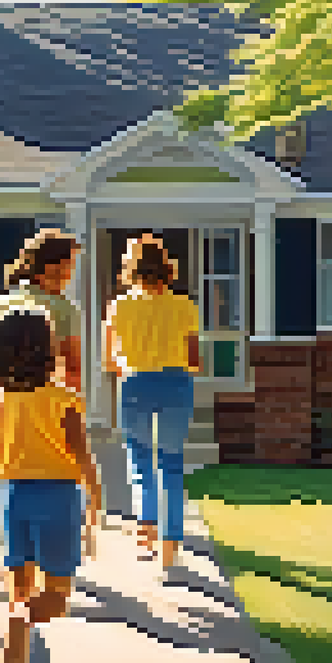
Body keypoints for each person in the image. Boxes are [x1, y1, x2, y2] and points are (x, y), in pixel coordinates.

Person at [0, 307, 101, 663]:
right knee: (56, 598)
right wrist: (95, 500)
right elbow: (82, 455)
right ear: (50, 350)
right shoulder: (65, 399)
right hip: (59, 499)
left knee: (19, 592)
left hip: (14, 499)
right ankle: (21, 622)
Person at [104, 234, 201, 570]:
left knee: (140, 458)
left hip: (135, 381)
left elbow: (109, 358)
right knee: (171, 463)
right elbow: (194, 358)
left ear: (130, 268)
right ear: (166, 268)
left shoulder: (119, 305)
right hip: (176, 382)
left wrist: (130, 364)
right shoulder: (184, 304)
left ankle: (146, 528)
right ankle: (171, 542)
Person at [0, 228, 84, 399]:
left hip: (2, 407)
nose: (71, 274)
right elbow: (74, 369)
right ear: (58, 267)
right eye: (71, 266)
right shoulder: (64, 309)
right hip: (48, 408)